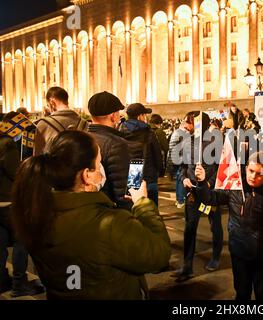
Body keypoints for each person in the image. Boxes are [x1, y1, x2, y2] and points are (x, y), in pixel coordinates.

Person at [10, 130, 171, 299]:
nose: (102, 174)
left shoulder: (37, 213)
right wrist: (143, 204)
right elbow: (158, 255)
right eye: (99, 164)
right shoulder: (108, 224)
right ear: (86, 175)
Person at [195, 152, 263, 300]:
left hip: (262, 256)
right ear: (246, 168)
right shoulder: (234, 188)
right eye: (251, 171)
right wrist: (202, 182)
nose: (253, 177)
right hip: (239, 252)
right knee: (242, 293)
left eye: (259, 174)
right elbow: (210, 198)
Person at [174, 112, 224, 282]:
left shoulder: (214, 142)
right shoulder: (186, 142)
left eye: (189, 122)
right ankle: (187, 266)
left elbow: (220, 167)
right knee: (189, 228)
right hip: (192, 192)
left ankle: (216, 257)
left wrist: (209, 183)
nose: (186, 126)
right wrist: (184, 179)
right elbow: (181, 168)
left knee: (215, 225)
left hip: (209, 192)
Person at [0, 112, 44, 297]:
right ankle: (19, 283)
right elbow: (15, 172)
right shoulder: (7, 144)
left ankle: (2, 280)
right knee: (21, 241)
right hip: (10, 201)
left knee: (0, 242)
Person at [87, 92, 131, 209]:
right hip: (110, 212)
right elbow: (127, 190)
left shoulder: (80, 139)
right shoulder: (117, 144)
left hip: (88, 209)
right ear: (113, 116)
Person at [118, 103, 163, 205]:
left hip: (131, 176)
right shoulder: (149, 132)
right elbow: (157, 155)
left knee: (134, 208)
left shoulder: (120, 131)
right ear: (139, 116)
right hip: (148, 175)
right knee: (150, 209)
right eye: (144, 115)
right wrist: (160, 171)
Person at [34, 87, 88, 155]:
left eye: (48, 105)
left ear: (52, 102)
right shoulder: (85, 123)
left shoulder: (44, 124)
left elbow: (38, 157)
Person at [168, 112, 195, 209]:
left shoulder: (176, 132)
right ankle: (180, 200)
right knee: (181, 179)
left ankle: (178, 199)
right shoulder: (182, 134)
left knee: (179, 179)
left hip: (175, 158)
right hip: (179, 159)